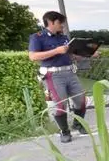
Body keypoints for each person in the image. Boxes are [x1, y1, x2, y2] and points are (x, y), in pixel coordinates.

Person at [28, 10, 95, 143]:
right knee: (61, 103)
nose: (62, 26)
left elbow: (71, 55)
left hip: (70, 72)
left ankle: (78, 124)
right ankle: (64, 131)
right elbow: (33, 56)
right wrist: (56, 51)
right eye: (60, 23)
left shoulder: (63, 37)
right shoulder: (38, 37)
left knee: (81, 100)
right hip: (53, 75)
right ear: (51, 22)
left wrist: (88, 54)